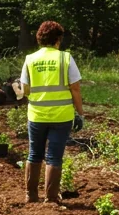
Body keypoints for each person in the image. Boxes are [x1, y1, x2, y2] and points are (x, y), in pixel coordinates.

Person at [20, 21, 85, 204]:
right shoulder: (65, 58)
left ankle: (31, 196)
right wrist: (80, 113)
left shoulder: (30, 59)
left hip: (37, 115)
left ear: (39, 38)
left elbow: (25, 89)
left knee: (34, 154)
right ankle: (50, 198)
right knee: (54, 156)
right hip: (61, 116)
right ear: (58, 39)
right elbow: (75, 89)